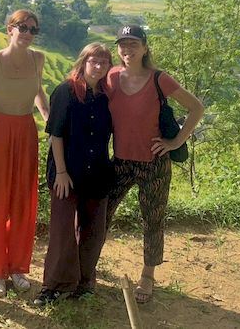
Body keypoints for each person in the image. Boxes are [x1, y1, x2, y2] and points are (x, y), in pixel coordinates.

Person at [104, 24, 204, 304]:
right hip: (121, 161)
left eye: (133, 43)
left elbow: (196, 108)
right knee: (102, 213)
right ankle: (87, 265)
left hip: (154, 163)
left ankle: (147, 275)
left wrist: (175, 143)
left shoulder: (160, 80)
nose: (127, 49)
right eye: (123, 44)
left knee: (152, 219)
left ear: (145, 48)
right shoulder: (111, 76)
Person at [34, 42, 114, 307]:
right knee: (63, 230)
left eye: (104, 62)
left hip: (98, 171)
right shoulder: (65, 91)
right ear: (83, 62)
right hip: (67, 172)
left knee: (94, 230)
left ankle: (84, 281)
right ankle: (54, 286)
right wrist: (62, 172)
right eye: (94, 61)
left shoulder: (106, 97)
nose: (99, 66)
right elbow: (55, 134)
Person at [0, 9, 50, 297]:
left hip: (26, 131)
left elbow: (39, 93)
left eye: (33, 28)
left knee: (22, 200)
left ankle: (17, 266)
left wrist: (48, 118)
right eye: (22, 27)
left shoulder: (38, 59)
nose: (28, 33)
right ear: (9, 29)